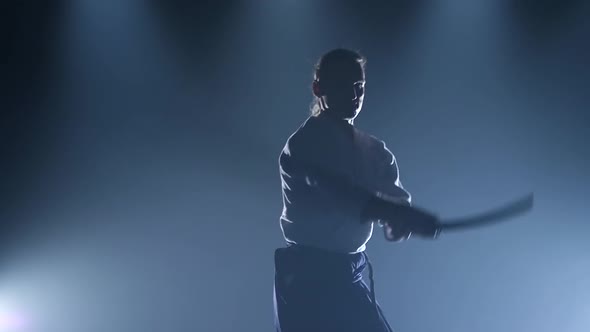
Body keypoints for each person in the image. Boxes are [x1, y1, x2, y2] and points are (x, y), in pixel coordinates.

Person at [273, 48, 441, 332]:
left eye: (359, 87)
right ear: (318, 88)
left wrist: (400, 222)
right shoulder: (304, 144)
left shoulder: (375, 151)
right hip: (307, 279)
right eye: (342, 85)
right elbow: (338, 192)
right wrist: (394, 213)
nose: (353, 95)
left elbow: (392, 208)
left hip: (348, 274)